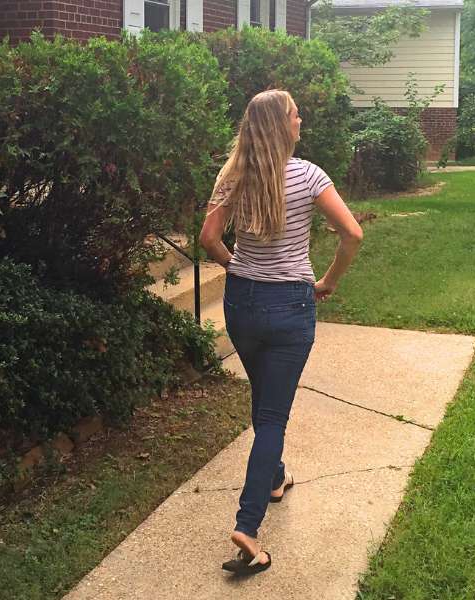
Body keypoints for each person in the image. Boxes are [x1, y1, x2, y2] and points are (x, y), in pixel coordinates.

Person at [200, 89, 363, 575]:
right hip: (291, 303)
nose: (301, 119)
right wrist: (329, 282)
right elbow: (352, 234)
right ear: (279, 125)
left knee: (264, 397)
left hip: (243, 303)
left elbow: (209, 238)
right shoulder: (309, 175)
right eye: (294, 114)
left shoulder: (232, 175)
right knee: (272, 417)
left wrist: (238, 267)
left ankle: (274, 480)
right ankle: (248, 528)